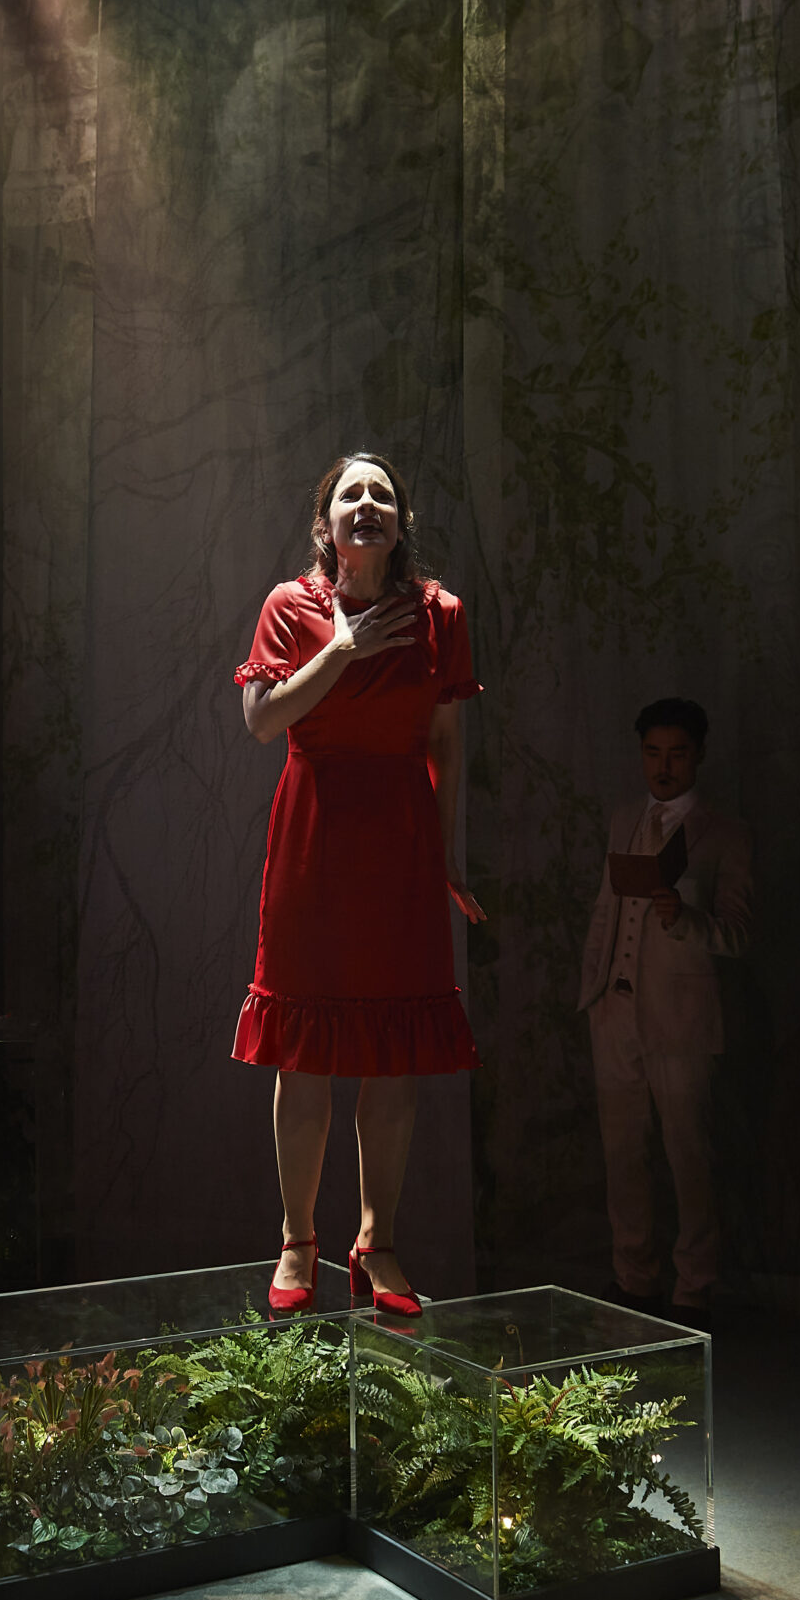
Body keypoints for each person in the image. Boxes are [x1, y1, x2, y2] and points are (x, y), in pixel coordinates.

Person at [233, 452, 486, 1318]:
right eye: (351, 493)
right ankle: (297, 1238)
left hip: (402, 842)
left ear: (400, 522)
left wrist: (446, 857)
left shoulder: (439, 614)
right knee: (303, 1050)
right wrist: (339, 648)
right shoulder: (289, 606)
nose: (368, 503)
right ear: (325, 524)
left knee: (396, 1053)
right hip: (313, 837)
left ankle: (378, 1240)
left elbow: (447, 745)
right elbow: (263, 721)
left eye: (383, 494)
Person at [577, 698, 754, 1313]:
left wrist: (689, 921)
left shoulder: (723, 833)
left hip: (681, 1018)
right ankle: (634, 1278)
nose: (664, 766)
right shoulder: (625, 818)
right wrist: (592, 992)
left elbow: (739, 932)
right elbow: (606, 912)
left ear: (698, 754)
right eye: (653, 752)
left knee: (689, 1155)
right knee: (623, 1153)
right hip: (615, 1010)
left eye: (677, 753)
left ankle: (695, 1288)